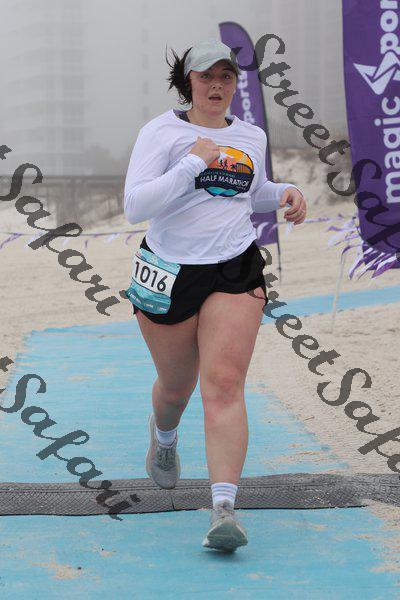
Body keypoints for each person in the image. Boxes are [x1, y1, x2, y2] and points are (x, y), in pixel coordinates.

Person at [123, 39, 306, 552]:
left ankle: (224, 509)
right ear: (189, 82)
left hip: (234, 268)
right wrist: (190, 163)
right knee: (176, 388)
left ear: (235, 83)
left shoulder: (250, 135)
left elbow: (251, 190)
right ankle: (163, 437)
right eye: (206, 76)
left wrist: (284, 192)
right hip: (169, 270)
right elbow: (135, 205)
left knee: (223, 384)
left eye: (226, 76)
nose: (217, 85)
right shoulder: (161, 132)